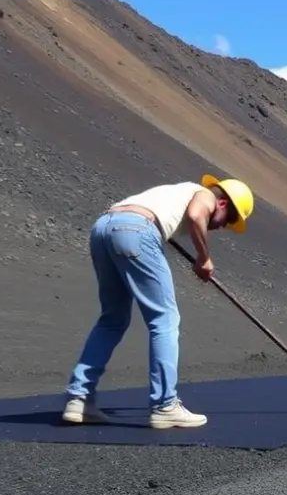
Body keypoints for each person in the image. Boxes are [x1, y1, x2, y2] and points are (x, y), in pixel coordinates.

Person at [61, 175, 255, 428]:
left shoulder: (175, 192)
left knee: (113, 319)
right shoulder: (206, 195)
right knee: (164, 319)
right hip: (136, 230)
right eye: (229, 220)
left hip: (103, 228)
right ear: (222, 204)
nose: (223, 227)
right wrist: (203, 258)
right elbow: (197, 215)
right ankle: (165, 405)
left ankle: (80, 399)